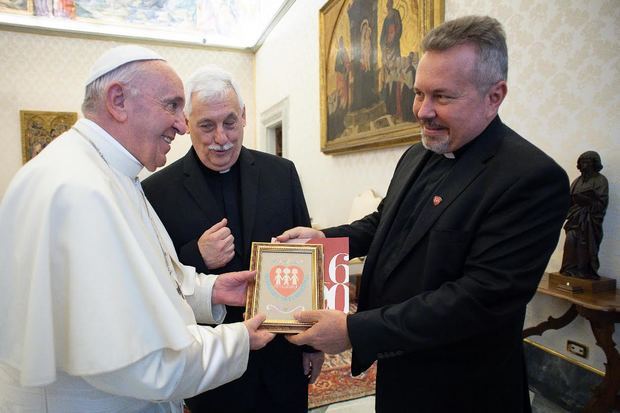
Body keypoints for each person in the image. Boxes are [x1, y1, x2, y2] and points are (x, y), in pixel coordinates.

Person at [278, 16, 570, 413]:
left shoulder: (531, 178)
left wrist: (353, 330)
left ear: (494, 96)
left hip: (464, 387)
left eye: (442, 97)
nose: (421, 111)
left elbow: (476, 299)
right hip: (401, 368)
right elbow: (386, 223)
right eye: (418, 93)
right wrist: (324, 240)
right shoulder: (419, 152)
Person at [0, 45, 274, 413]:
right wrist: (239, 340)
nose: (182, 124)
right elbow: (140, 363)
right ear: (118, 100)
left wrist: (210, 292)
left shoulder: (110, 173)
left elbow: (141, 287)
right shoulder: (79, 189)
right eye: (172, 106)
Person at [142, 66, 324, 413]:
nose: (221, 138)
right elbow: (151, 278)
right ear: (187, 124)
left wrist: (313, 344)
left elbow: (309, 258)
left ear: (243, 116)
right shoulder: (156, 191)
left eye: (230, 122)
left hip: (281, 355)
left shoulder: (281, 173)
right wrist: (195, 255)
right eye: (207, 126)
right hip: (213, 365)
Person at [560, 151, 609, 279]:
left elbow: (601, 203)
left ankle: (584, 271)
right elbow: (569, 200)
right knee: (570, 241)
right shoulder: (577, 181)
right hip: (574, 219)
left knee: (584, 243)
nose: (584, 165)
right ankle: (569, 269)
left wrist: (589, 201)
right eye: (582, 162)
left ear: (594, 164)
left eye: (587, 162)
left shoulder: (601, 180)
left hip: (589, 221)